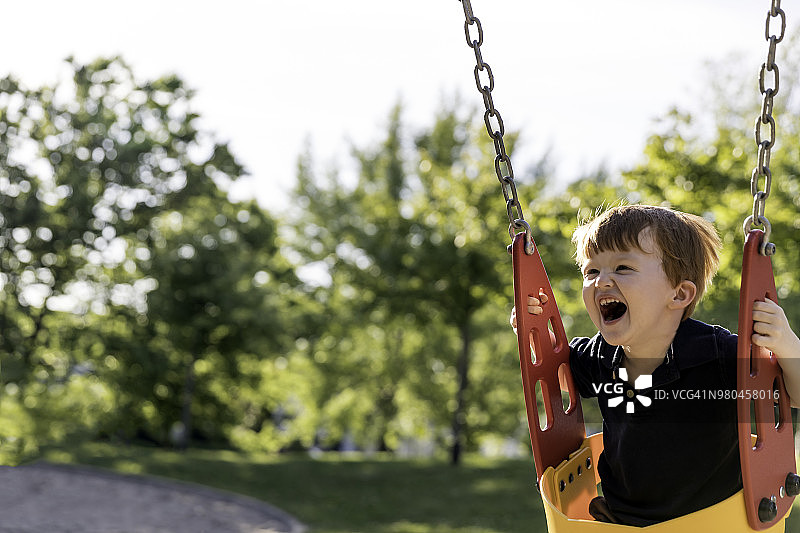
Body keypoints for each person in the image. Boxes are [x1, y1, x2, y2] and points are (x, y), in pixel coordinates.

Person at [509, 204, 800, 526]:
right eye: (592, 271)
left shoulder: (718, 354)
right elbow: (562, 377)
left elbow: (795, 396)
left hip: (714, 519)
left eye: (622, 268)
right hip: (624, 521)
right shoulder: (602, 354)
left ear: (679, 295)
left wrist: (786, 343)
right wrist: (531, 330)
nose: (602, 281)